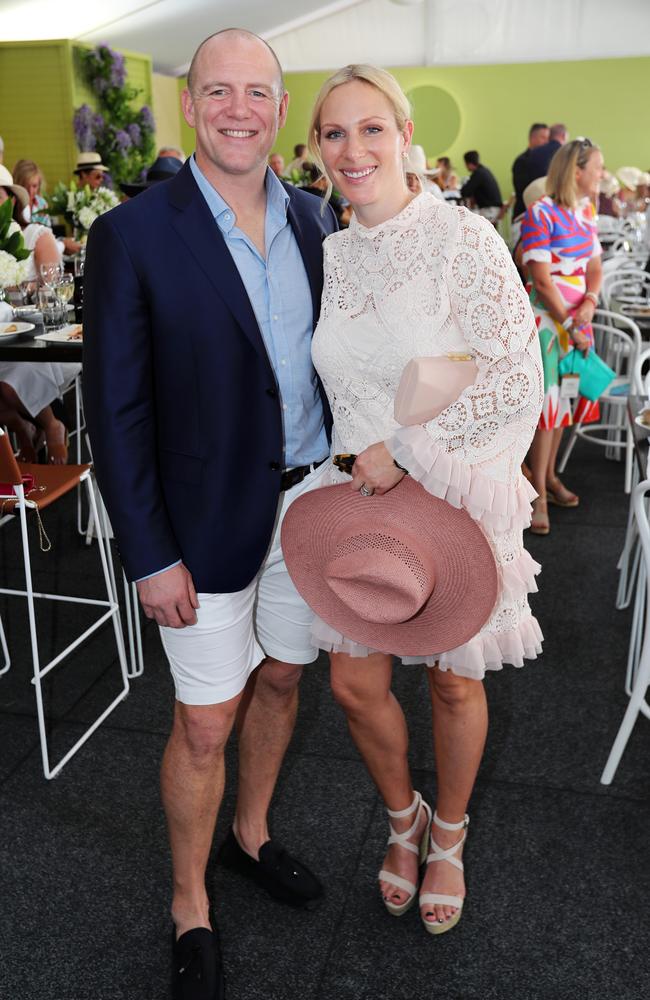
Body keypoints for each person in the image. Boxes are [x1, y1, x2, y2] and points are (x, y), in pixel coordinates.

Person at [82, 27, 337, 1000]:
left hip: (306, 504)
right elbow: (118, 407)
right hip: (195, 525)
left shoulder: (316, 219)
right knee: (203, 723)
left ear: (280, 107)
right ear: (191, 105)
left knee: (280, 682)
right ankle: (189, 901)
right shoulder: (132, 234)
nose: (239, 110)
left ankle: (250, 833)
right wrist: (148, 552)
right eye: (219, 91)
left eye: (257, 93)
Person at [305, 64, 543, 934]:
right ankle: (401, 818)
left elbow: (520, 374)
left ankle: (448, 834)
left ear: (406, 136)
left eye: (372, 128)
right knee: (355, 682)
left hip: (449, 489)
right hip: (360, 497)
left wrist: (403, 452)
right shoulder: (334, 249)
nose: (354, 148)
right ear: (319, 149)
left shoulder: (461, 237)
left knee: (451, 681)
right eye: (335, 133)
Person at [520, 138, 604, 535]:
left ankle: (548, 477)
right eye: (598, 168)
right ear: (577, 171)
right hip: (550, 327)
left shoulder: (587, 211)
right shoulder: (542, 213)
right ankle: (537, 491)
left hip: (575, 322)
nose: (602, 175)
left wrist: (588, 302)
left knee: (562, 409)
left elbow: (595, 266)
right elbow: (541, 280)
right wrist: (572, 323)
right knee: (546, 412)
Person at [0, 167, 75, 463]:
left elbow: (54, 291)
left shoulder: (34, 234)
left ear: (11, 200)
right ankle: (22, 427)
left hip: (39, 335)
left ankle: (50, 424)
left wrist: (22, 289)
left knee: (9, 380)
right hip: (6, 337)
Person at [510, 122, 550, 245]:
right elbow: (524, 190)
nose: (547, 142)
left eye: (548, 138)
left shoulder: (547, 163)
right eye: (543, 137)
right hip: (525, 217)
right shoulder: (522, 162)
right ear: (532, 138)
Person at [460, 150, 503, 223]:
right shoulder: (484, 171)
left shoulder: (478, 173)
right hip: (494, 209)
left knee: (469, 222)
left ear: (469, 163)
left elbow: (465, 191)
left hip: (489, 211)